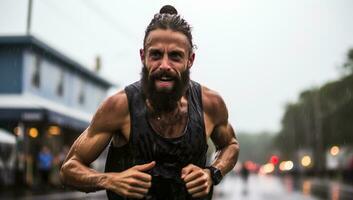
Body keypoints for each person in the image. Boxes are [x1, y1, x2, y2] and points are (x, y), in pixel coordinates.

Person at [60, 5, 239, 200]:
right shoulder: (119, 107)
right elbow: (69, 168)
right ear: (143, 56)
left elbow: (230, 145)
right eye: (155, 55)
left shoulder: (210, 104)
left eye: (175, 56)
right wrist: (110, 180)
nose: (164, 65)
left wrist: (213, 173)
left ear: (190, 60)